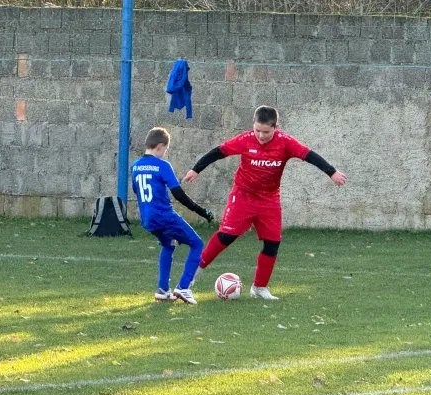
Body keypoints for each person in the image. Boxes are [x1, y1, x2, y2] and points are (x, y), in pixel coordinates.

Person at [183, 105, 346, 300]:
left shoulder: (285, 142)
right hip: (243, 196)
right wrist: (196, 170)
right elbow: (218, 152)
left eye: (266, 132)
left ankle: (259, 288)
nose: (260, 135)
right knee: (226, 236)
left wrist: (332, 172)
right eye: (257, 130)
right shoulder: (245, 140)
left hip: (269, 199)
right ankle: (190, 278)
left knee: (272, 243)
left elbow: (310, 156)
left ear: (276, 126)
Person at [131, 127, 213, 304]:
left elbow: (136, 190)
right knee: (197, 244)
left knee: (168, 245)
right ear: (160, 146)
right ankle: (184, 287)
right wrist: (202, 212)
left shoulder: (135, 166)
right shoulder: (163, 166)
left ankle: (162, 290)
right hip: (164, 216)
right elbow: (178, 195)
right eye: (165, 150)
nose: (164, 153)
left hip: (147, 218)